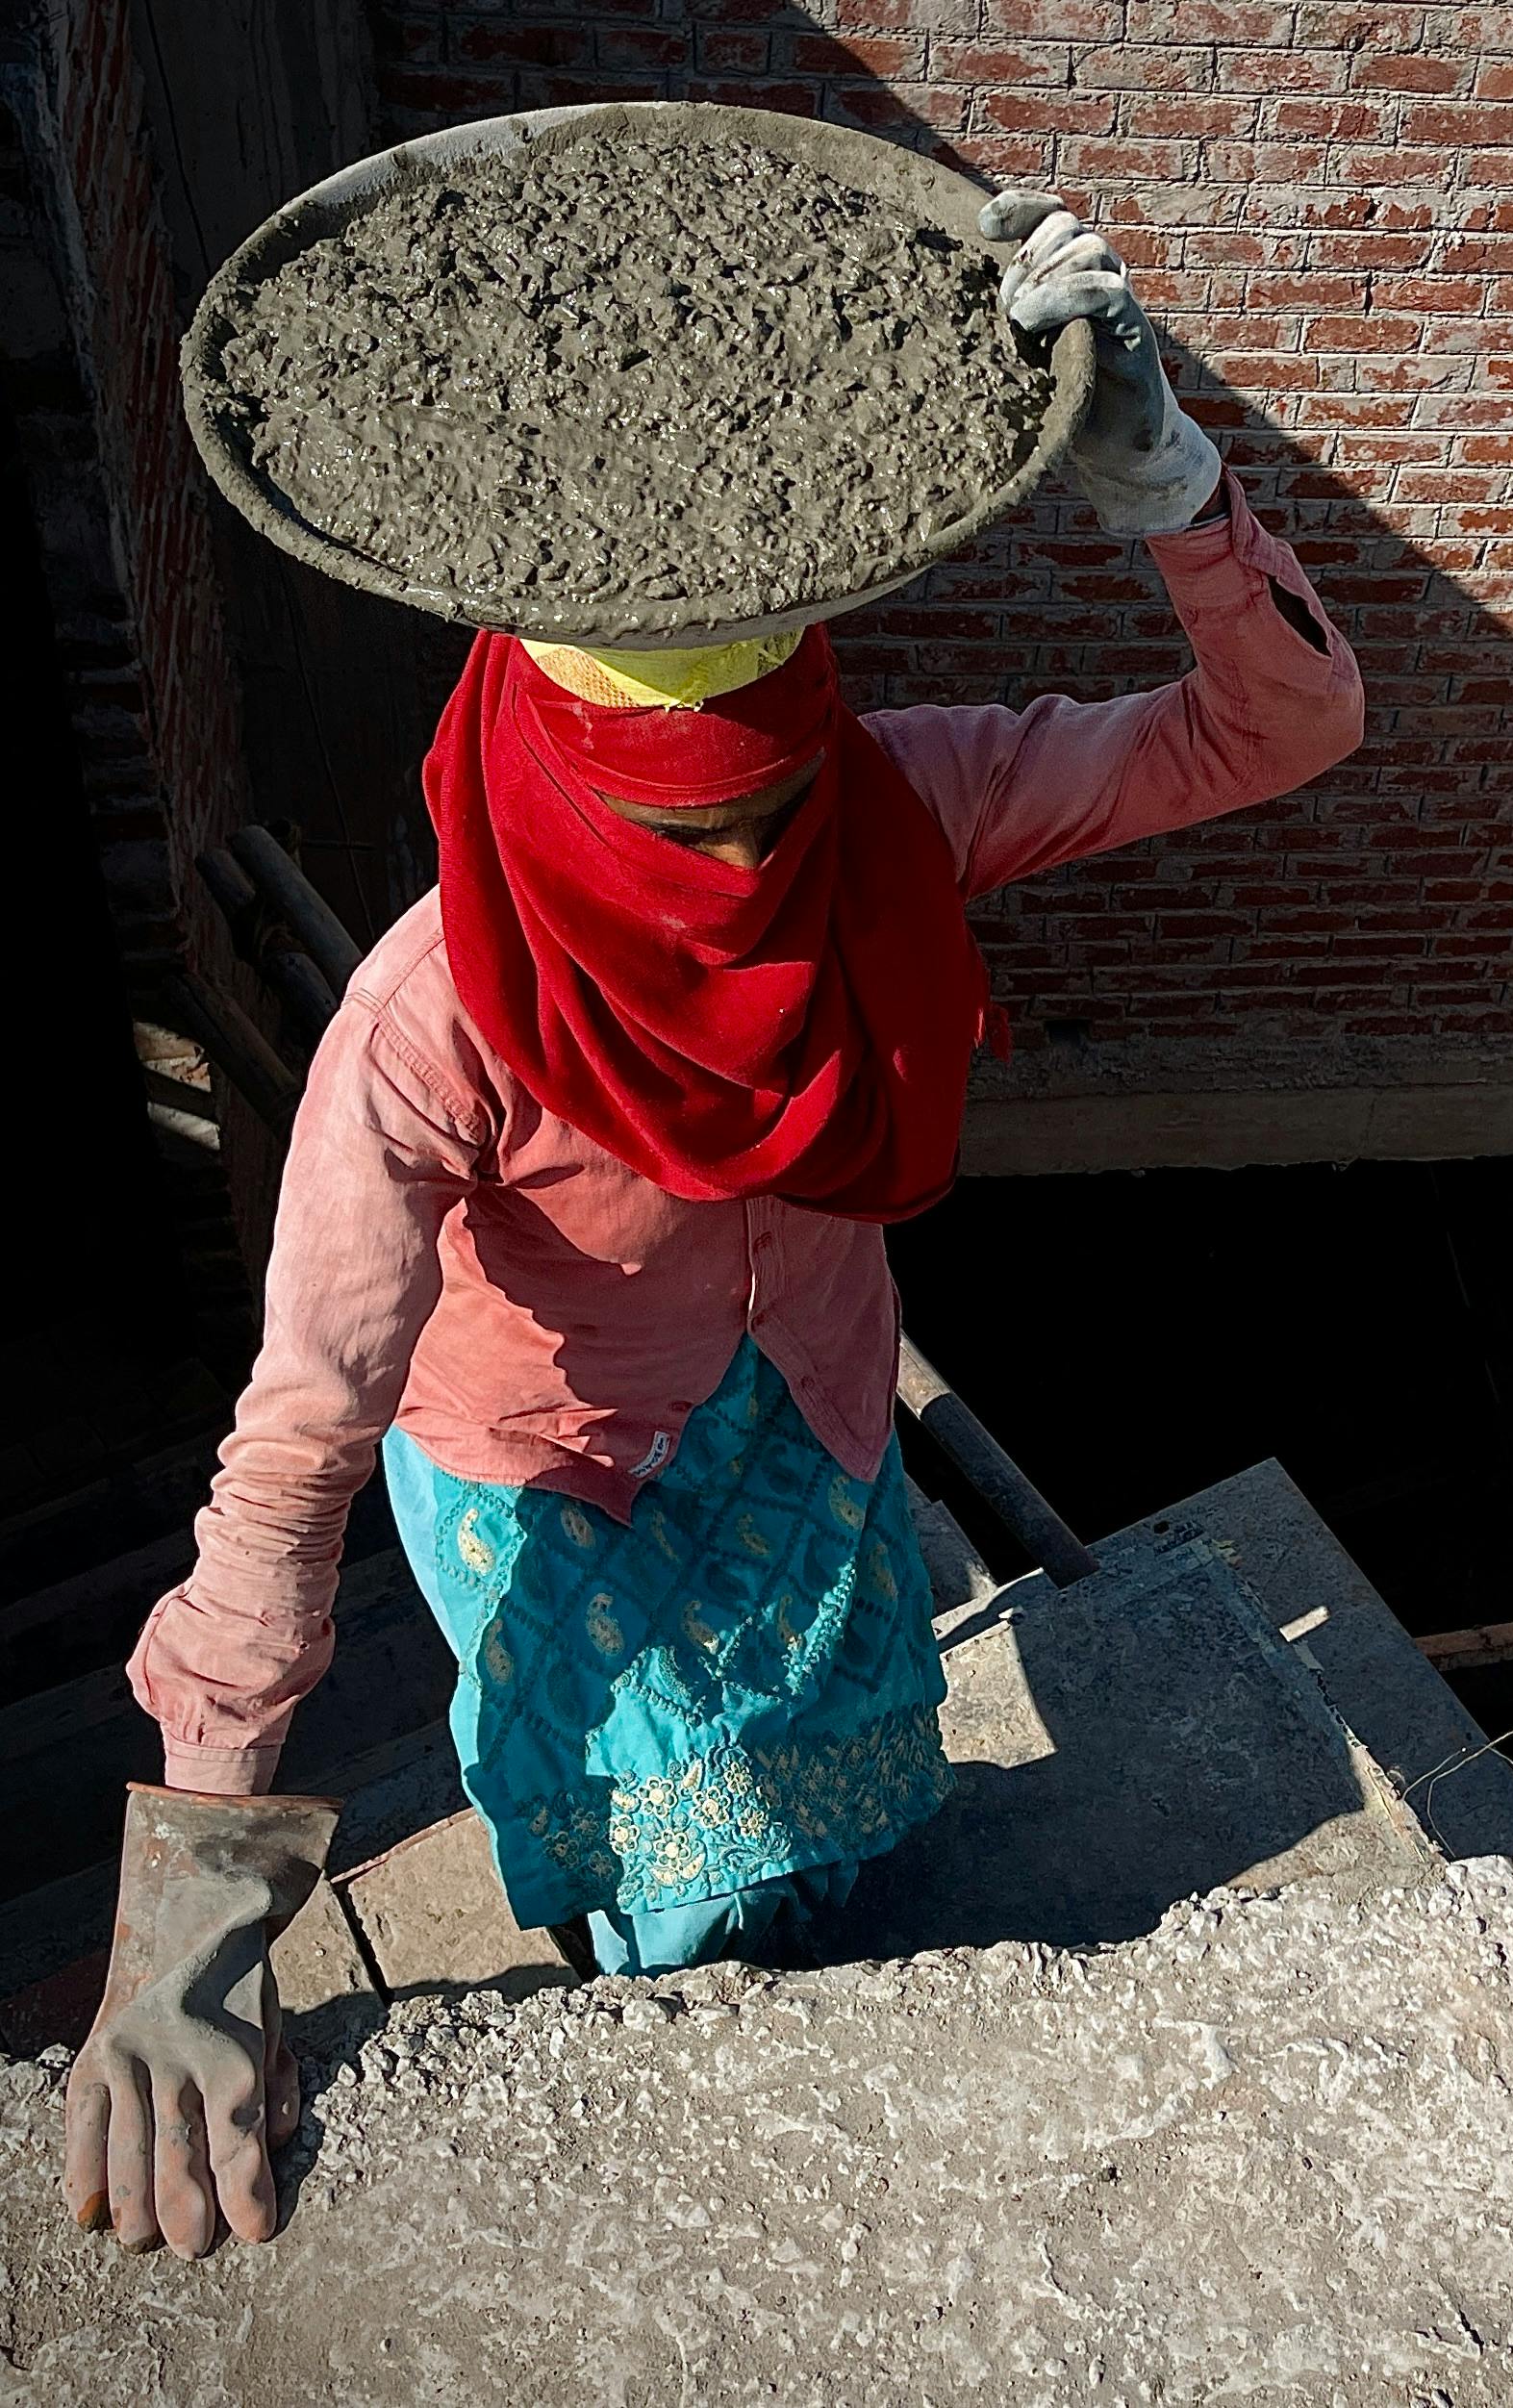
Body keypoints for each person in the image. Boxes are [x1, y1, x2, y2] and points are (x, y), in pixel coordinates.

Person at [63, 191, 1363, 2257]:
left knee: (845, 1795)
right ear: (566, 808)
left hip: (817, 1414)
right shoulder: (428, 1024)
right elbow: (298, 1429)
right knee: (680, 1883)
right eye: (689, 833)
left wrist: (1171, 485)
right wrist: (193, 1920)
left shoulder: (892, 808)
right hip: (556, 1476)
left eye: (780, 810)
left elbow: (1274, 728)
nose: (752, 871)